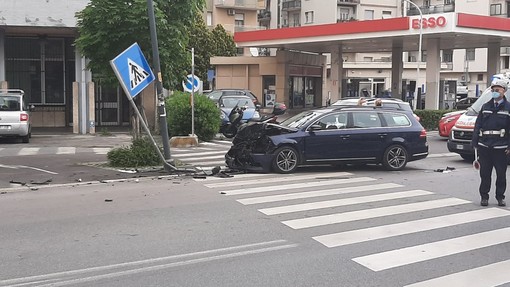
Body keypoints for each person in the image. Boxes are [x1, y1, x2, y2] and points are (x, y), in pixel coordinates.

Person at [471, 79, 510, 207]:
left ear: (504, 91)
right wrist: (475, 141)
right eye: (493, 89)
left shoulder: (508, 108)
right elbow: (478, 125)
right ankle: (484, 197)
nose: (495, 91)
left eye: (498, 89)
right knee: (485, 174)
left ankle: (500, 197)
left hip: (501, 147)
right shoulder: (485, 106)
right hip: (485, 146)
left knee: (501, 175)